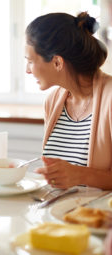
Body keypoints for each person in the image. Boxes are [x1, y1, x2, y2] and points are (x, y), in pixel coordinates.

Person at [25, 12, 112, 189]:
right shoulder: (53, 101)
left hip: (97, 215)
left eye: (30, 61)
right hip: (56, 212)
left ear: (57, 62)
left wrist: (81, 174)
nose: (27, 70)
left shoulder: (110, 98)